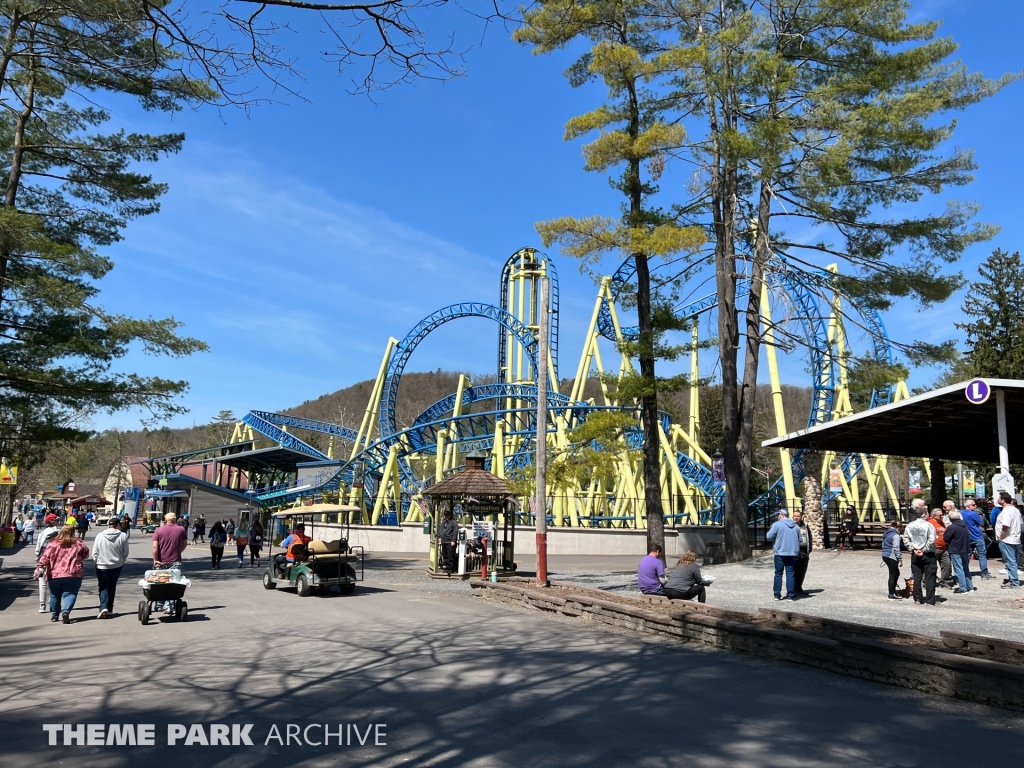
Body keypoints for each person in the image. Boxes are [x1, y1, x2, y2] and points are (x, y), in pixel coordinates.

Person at [35, 525, 89, 623]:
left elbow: (45, 557)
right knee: (70, 593)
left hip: (54, 573)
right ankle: (66, 611)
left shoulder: (53, 543)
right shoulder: (78, 543)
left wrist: (39, 567)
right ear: (73, 532)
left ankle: (55, 615)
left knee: (54, 595)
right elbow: (86, 554)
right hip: (74, 573)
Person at [91, 516, 130, 618]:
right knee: (112, 587)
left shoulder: (100, 535)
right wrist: (122, 561)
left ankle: (103, 606)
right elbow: (125, 552)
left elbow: (95, 552)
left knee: (103, 586)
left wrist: (96, 561)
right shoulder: (123, 536)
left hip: (102, 565)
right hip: (116, 565)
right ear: (117, 525)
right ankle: (110, 608)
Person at [151, 512, 188, 614]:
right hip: (175, 560)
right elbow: (184, 544)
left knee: (160, 582)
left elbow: (155, 547)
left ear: (165, 520)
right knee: (173, 583)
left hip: (161, 560)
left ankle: (159, 604)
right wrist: (178, 551)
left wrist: (155, 559)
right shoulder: (181, 530)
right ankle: (169, 606)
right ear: (175, 520)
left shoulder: (159, 530)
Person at [902, 506, 938, 605]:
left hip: (915, 553)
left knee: (917, 577)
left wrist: (914, 549)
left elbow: (905, 539)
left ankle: (917, 598)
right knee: (930, 577)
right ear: (924, 514)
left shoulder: (910, 525)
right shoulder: (929, 525)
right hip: (928, 553)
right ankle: (930, 599)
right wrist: (924, 549)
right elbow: (932, 540)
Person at [766, 509, 801, 601]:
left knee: (778, 574)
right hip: (792, 553)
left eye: (778, 515)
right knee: (790, 574)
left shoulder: (777, 524)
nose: (778, 516)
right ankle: (790, 595)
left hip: (780, 553)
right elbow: (800, 540)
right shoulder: (796, 526)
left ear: (781, 515)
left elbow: (768, 536)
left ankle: (777, 595)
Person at [34, 514, 62, 613]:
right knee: (53, 582)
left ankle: (42, 605)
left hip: (44, 559)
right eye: (57, 520)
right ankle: (52, 602)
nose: (59, 521)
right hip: (56, 560)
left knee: (42, 583)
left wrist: (38, 558)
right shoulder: (59, 533)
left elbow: (38, 547)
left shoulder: (43, 533)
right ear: (52, 521)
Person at [995, 491, 1022, 589]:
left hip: (1007, 539)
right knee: (1011, 560)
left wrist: (1001, 537)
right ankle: (1012, 578)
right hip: (1014, 538)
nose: (997, 500)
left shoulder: (1007, 511)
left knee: (1010, 561)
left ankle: (1014, 582)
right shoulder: (1015, 510)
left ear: (1003, 500)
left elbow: (1006, 525)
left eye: (998, 498)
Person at [944, 510, 975, 594]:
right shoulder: (964, 525)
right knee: (965, 568)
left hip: (955, 549)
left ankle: (963, 588)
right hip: (965, 549)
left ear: (951, 518)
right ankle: (970, 586)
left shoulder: (952, 527)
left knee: (958, 569)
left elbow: (946, 538)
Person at [962, 498, 993, 579]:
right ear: (968, 506)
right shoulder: (974, 514)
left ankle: (964, 572)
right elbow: (981, 523)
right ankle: (984, 573)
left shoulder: (961, 513)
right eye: (973, 505)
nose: (975, 506)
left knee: (967, 555)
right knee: (982, 554)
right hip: (977, 536)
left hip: (967, 537)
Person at [933, 503, 955, 587]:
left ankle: (944, 581)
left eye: (942, 515)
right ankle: (928, 581)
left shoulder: (942, 522)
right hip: (935, 548)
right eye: (940, 515)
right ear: (934, 515)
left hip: (944, 547)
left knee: (947, 565)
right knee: (932, 566)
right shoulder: (930, 522)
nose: (942, 516)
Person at [882, 519, 903, 599]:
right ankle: (891, 593)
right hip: (892, 556)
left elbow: (883, 544)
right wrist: (900, 560)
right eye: (901, 528)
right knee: (893, 574)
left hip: (885, 554)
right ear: (898, 527)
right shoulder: (896, 535)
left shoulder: (886, 533)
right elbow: (896, 548)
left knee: (896, 573)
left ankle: (893, 591)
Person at [793, 509, 813, 595]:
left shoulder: (805, 525)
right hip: (794, 552)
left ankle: (799, 588)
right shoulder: (791, 525)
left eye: (798, 516)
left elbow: (809, 536)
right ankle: (792, 589)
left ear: (801, 517)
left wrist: (810, 548)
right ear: (792, 517)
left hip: (804, 551)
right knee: (794, 571)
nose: (796, 518)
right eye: (795, 516)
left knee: (802, 571)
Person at [439, 510, 459, 575]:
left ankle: (451, 569)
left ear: (450, 515)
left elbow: (455, 531)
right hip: (444, 541)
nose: (446, 516)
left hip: (450, 542)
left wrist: (453, 540)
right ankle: (447, 568)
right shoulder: (443, 522)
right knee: (445, 556)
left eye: (447, 515)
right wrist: (440, 537)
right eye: (445, 515)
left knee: (451, 556)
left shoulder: (453, 522)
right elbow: (441, 531)